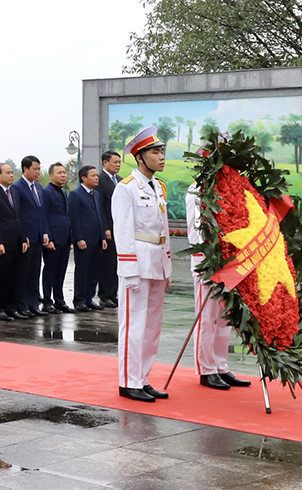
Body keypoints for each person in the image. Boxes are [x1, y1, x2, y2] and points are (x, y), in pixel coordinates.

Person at [114, 126, 173, 403]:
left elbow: (164, 229)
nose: (161, 157)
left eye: (162, 152)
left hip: (157, 263)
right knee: (133, 324)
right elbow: (123, 232)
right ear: (140, 157)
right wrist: (128, 270)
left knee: (151, 325)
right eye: (155, 152)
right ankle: (128, 381)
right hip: (137, 262)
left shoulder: (159, 186)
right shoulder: (125, 189)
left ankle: (143, 377)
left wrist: (168, 267)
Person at [186, 147, 251, 391]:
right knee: (207, 318)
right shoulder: (198, 190)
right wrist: (211, 258)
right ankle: (206, 369)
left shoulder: (226, 188)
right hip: (208, 263)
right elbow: (198, 230)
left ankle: (221, 366)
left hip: (228, 264)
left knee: (224, 318)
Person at [0, 163, 27, 321]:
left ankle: (11, 307)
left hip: (16, 241)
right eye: (7, 173)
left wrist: (23, 238)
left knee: (15, 277)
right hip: (2, 242)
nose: (11, 175)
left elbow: (18, 217)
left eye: (11, 172)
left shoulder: (14, 192)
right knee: (0, 278)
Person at [11, 156, 49, 317]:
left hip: (39, 236)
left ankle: (34, 304)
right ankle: (22, 305)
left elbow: (42, 212)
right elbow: (18, 214)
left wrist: (45, 232)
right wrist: (23, 235)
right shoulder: (17, 188)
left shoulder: (39, 187)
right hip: (26, 237)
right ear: (25, 169)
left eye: (39, 169)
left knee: (35, 272)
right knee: (23, 274)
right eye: (34, 169)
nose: (37, 172)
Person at [69, 165, 107, 311]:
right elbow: (74, 218)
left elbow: (99, 216)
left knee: (94, 270)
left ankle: (89, 298)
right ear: (83, 178)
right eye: (93, 175)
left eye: (97, 175)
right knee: (83, 270)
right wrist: (78, 238)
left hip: (97, 239)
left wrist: (102, 236)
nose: (96, 178)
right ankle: (79, 300)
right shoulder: (75, 194)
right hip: (84, 240)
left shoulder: (96, 194)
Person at [41, 163, 73, 314]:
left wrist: (71, 238)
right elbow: (44, 216)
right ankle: (47, 301)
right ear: (51, 175)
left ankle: (59, 300)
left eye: (64, 172)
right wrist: (49, 238)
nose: (63, 175)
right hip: (53, 238)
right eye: (59, 173)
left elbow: (66, 216)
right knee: (50, 271)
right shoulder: (46, 192)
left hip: (64, 238)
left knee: (61, 271)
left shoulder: (63, 193)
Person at [97, 150, 123, 308]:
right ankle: (105, 295)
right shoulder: (99, 180)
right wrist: (105, 227)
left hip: (120, 228)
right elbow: (100, 206)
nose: (118, 165)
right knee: (107, 264)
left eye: (119, 162)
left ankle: (114, 294)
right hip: (109, 228)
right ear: (105, 163)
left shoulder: (120, 181)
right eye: (115, 162)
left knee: (116, 263)